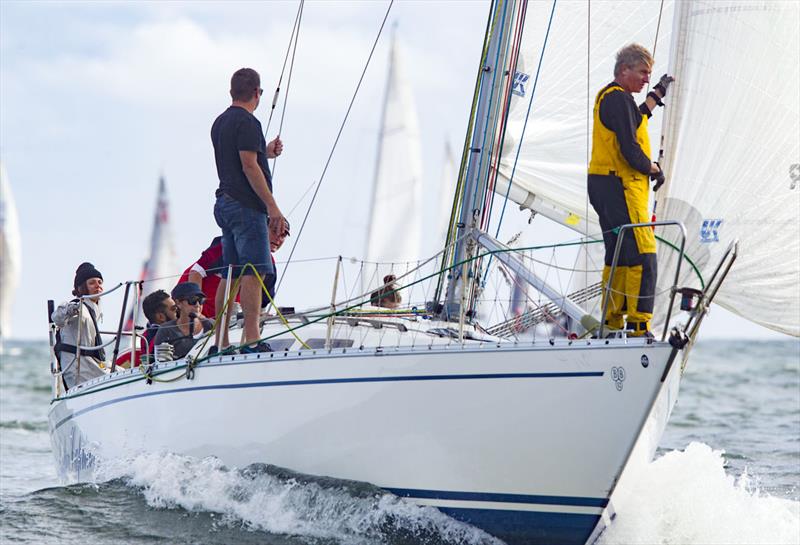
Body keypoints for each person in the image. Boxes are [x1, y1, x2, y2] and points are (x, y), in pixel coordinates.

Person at [587, 44, 674, 338]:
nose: (647, 79)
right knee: (643, 254)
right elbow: (629, 151)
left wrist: (657, 95)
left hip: (603, 185)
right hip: (619, 186)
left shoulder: (611, 98)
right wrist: (654, 169)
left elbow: (636, 119)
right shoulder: (618, 100)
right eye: (643, 72)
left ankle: (611, 322)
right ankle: (639, 326)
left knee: (619, 254)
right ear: (624, 70)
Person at [211, 67, 287, 354]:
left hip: (224, 202)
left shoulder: (220, 123)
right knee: (254, 271)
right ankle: (251, 339)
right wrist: (273, 207)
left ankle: (221, 341)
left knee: (229, 272)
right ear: (257, 93)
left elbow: (242, 156)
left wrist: (265, 150)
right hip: (246, 206)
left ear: (232, 92)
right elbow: (248, 165)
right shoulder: (248, 122)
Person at [52, 262, 108, 388]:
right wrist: (72, 308)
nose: (98, 286)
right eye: (92, 282)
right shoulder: (77, 305)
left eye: (100, 282)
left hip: (91, 364)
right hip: (77, 369)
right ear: (81, 288)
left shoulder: (95, 309)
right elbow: (57, 317)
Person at [151, 283, 214, 360]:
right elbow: (160, 363)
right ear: (178, 303)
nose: (197, 305)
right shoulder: (166, 330)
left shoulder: (212, 325)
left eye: (201, 300)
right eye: (193, 300)